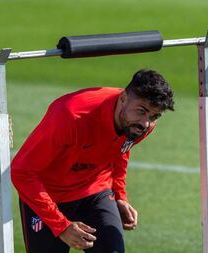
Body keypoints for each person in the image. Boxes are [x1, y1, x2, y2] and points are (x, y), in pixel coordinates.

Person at [11, 69, 175, 253]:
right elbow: (22, 172)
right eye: (142, 111)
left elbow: (121, 150)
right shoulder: (70, 115)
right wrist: (61, 226)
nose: (145, 123)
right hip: (49, 195)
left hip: (95, 191)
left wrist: (120, 195)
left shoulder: (140, 125)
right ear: (122, 98)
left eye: (154, 116)